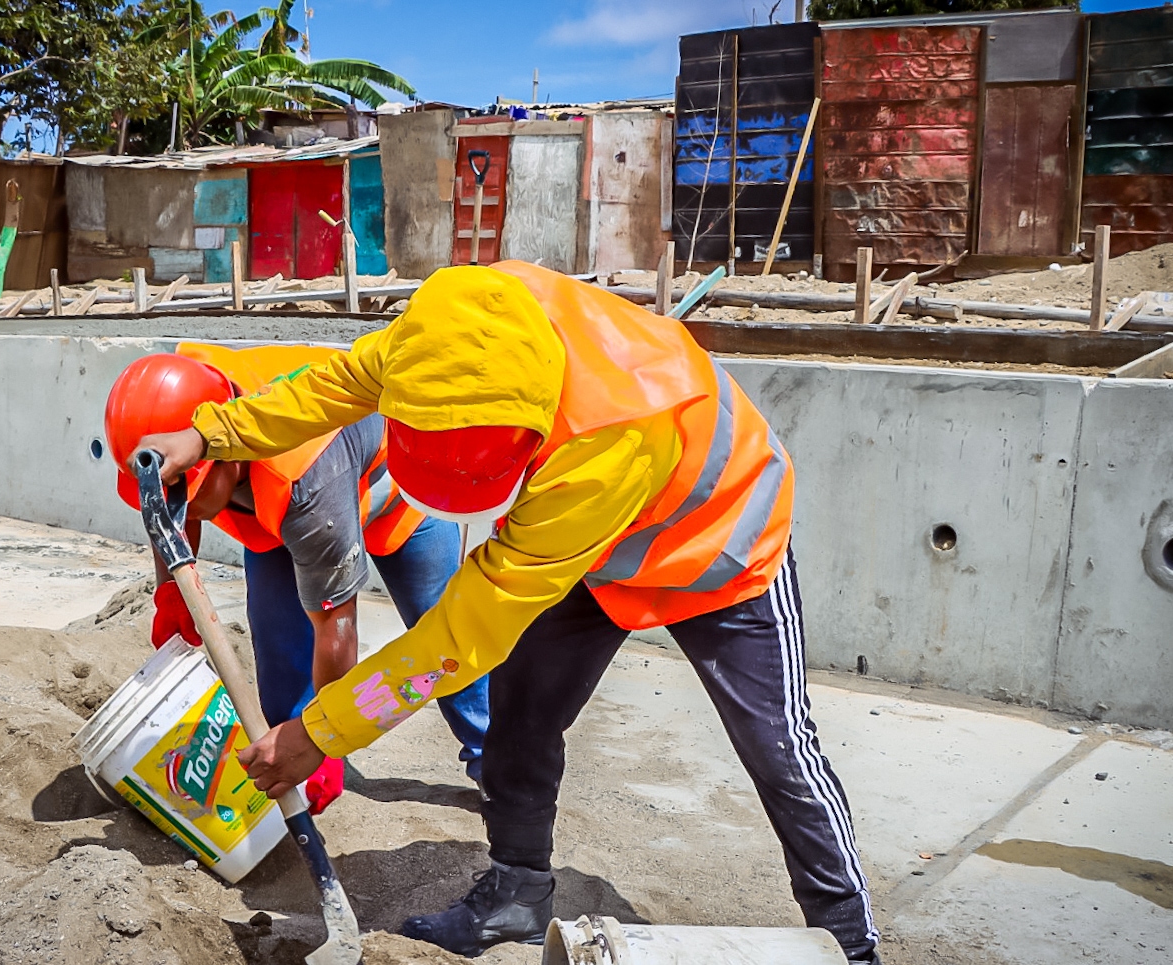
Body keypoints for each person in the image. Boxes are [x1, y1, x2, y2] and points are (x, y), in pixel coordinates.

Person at [135, 264, 881, 963]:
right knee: (519, 721)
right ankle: (518, 893)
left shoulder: (607, 437)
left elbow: (463, 632)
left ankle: (849, 938)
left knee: (777, 751)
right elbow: (330, 387)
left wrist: (318, 731)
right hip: (590, 551)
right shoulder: (444, 335)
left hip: (718, 545)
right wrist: (208, 433)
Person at [106, 344, 491, 814]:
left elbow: (337, 626)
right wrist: (170, 593)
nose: (177, 508)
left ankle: (495, 762)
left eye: (188, 495)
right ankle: (286, 781)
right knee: (280, 662)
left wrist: (327, 740)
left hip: (396, 495)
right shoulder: (186, 398)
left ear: (226, 460)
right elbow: (166, 506)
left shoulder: (306, 482)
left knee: (449, 646)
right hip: (274, 511)